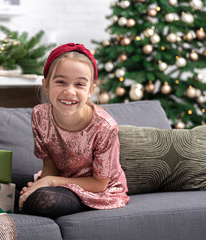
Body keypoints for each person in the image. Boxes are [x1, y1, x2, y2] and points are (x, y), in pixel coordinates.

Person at [19, 43, 130, 219]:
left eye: (79, 84)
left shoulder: (105, 126)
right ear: (46, 85)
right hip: (62, 181)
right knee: (24, 193)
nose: (69, 91)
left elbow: (99, 184)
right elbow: (49, 167)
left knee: (42, 201)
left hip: (97, 190)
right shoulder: (40, 115)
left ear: (90, 91)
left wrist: (50, 183)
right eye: (60, 82)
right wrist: (40, 185)